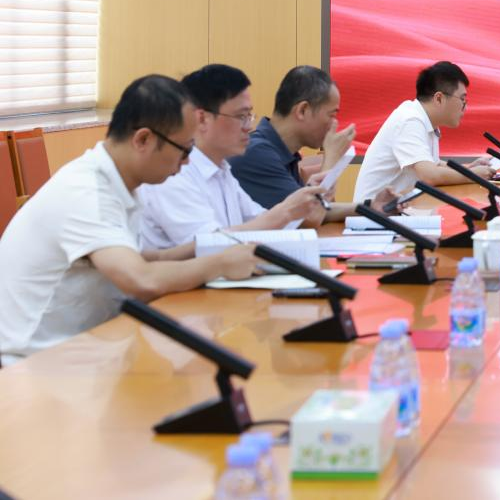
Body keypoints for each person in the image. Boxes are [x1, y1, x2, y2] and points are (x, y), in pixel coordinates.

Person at [0, 75, 259, 365]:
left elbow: (143, 259)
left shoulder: (120, 181)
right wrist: (219, 264)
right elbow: (140, 279)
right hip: (35, 364)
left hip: (90, 348)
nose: (187, 161)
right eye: (185, 150)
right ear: (143, 139)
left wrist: (212, 247)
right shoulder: (87, 192)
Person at [137, 64, 327, 250]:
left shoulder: (221, 169)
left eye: (249, 115)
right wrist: (286, 210)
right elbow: (206, 245)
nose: (248, 126)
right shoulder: (172, 174)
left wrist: (302, 202)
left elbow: (258, 220)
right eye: (240, 116)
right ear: (202, 119)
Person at [229, 65, 397, 221]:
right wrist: (331, 158)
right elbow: (311, 217)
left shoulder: (283, 153)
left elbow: (319, 209)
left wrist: (371, 207)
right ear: (303, 110)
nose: (334, 124)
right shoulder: (257, 152)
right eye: (331, 115)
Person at [353, 61, 497, 200]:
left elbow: (434, 164)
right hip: (374, 214)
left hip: (396, 209)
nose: (465, 107)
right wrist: (473, 175)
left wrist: (468, 168)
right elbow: (430, 175)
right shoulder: (410, 121)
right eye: (462, 100)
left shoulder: (423, 119)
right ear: (439, 99)